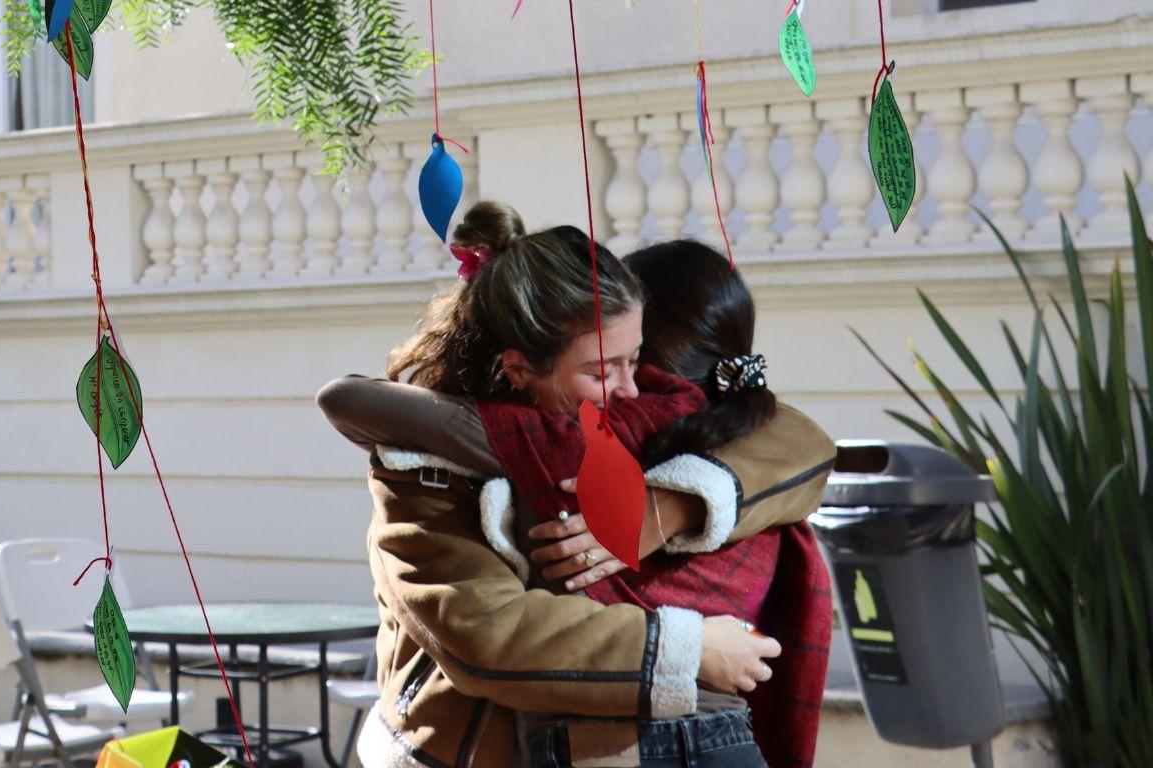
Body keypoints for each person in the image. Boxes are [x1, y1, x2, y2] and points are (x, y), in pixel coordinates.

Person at [320, 203, 833, 767]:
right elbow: (488, 634)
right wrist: (690, 649)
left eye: (636, 361)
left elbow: (798, 439)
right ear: (519, 369)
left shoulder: (631, 419)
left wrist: (665, 510)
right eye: (601, 369)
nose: (632, 390)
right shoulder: (423, 470)